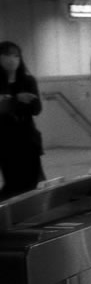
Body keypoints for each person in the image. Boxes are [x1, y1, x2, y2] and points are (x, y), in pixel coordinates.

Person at [0, 41, 45, 200]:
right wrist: (17, 100)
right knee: (13, 183)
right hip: (5, 141)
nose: (12, 59)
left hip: (27, 139)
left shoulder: (28, 81)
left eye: (16, 56)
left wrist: (10, 102)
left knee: (31, 183)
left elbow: (36, 108)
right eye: (6, 55)